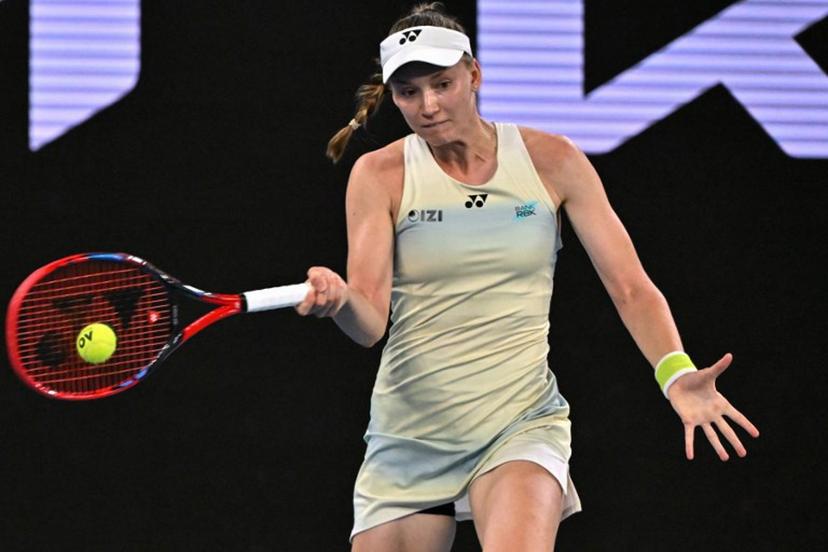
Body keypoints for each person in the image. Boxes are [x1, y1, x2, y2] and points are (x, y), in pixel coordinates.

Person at [295, 3, 760, 551]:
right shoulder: (378, 174)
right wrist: (341, 300)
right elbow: (369, 322)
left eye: (442, 84)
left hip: (519, 421)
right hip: (410, 433)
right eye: (409, 92)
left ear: (474, 74)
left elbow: (630, 286)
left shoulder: (552, 159)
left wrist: (675, 374)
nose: (428, 105)